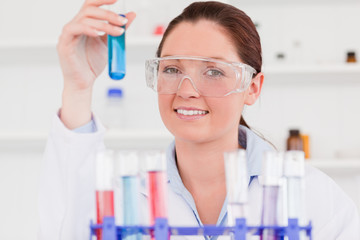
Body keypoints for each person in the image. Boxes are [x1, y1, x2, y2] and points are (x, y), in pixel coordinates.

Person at [38, 0, 360, 239]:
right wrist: (78, 87)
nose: (187, 90)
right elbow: (63, 228)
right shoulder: (127, 201)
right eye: (173, 70)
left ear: (253, 87)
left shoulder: (313, 198)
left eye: (214, 71)